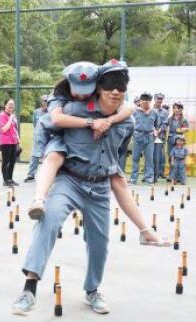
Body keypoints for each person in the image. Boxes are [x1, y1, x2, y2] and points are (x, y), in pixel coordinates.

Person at [12, 62, 167, 316]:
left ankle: (92, 290)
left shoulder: (126, 122)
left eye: (120, 88)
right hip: (69, 180)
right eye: (108, 87)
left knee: (99, 243)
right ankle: (29, 289)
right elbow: (50, 125)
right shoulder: (73, 110)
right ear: (99, 89)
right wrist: (60, 143)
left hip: (100, 186)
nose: (114, 92)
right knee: (48, 219)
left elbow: (117, 168)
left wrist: (144, 228)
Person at [27, 61, 135, 220]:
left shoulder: (104, 88)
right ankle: (38, 199)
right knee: (54, 157)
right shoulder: (59, 95)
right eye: (78, 90)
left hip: (82, 136)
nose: (83, 95)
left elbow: (129, 108)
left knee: (118, 179)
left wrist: (109, 120)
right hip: (58, 132)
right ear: (69, 83)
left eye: (87, 90)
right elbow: (56, 119)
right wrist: (92, 123)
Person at [128, 93, 160, 185]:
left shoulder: (154, 112)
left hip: (149, 137)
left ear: (150, 101)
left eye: (148, 101)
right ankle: (133, 179)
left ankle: (149, 179)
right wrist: (133, 133)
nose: (145, 102)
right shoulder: (134, 111)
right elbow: (130, 123)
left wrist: (155, 131)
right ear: (140, 101)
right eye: (144, 100)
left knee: (149, 159)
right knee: (135, 159)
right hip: (137, 137)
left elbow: (157, 124)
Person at [24, 95, 49, 183]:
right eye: (43, 101)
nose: (45, 103)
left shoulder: (51, 112)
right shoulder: (36, 112)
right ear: (41, 102)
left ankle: (46, 176)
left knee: (47, 157)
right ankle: (31, 175)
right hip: (38, 137)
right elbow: (34, 124)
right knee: (34, 156)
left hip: (48, 137)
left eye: (46, 101)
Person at [0, 99, 20, 187]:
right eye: (9, 104)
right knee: (6, 161)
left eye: (13, 104)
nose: (11, 106)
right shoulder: (2, 115)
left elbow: (14, 128)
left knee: (12, 161)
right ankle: (5, 180)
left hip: (13, 141)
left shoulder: (12, 115)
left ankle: (10, 178)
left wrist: (18, 138)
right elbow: (3, 129)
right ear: (5, 105)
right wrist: (10, 119)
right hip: (6, 141)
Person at [166, 102, 189, 181]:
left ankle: (179, 176)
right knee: (171, 157)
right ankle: (171, 175)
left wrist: (181, 129)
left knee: (180, 158)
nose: (176, 110)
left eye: (178, 108)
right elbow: (164, 126)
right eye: (175, 108)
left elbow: (187, 129)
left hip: (179, 140)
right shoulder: (169, 119)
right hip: (171, 139)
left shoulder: (184, 119)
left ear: (181, 109)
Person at [152, 93, 169, 179]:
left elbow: (165, 123)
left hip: (160, 136)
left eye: (161, 99)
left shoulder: (165, 112)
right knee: (149, 155)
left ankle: (158, 174)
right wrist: (154, 130)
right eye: (158, 98)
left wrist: (159, 130)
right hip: (150, 135)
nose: (159, 100)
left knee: (160, 156)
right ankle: (149, 174)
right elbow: (148, 122)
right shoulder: (150, 110)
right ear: (154, 99)